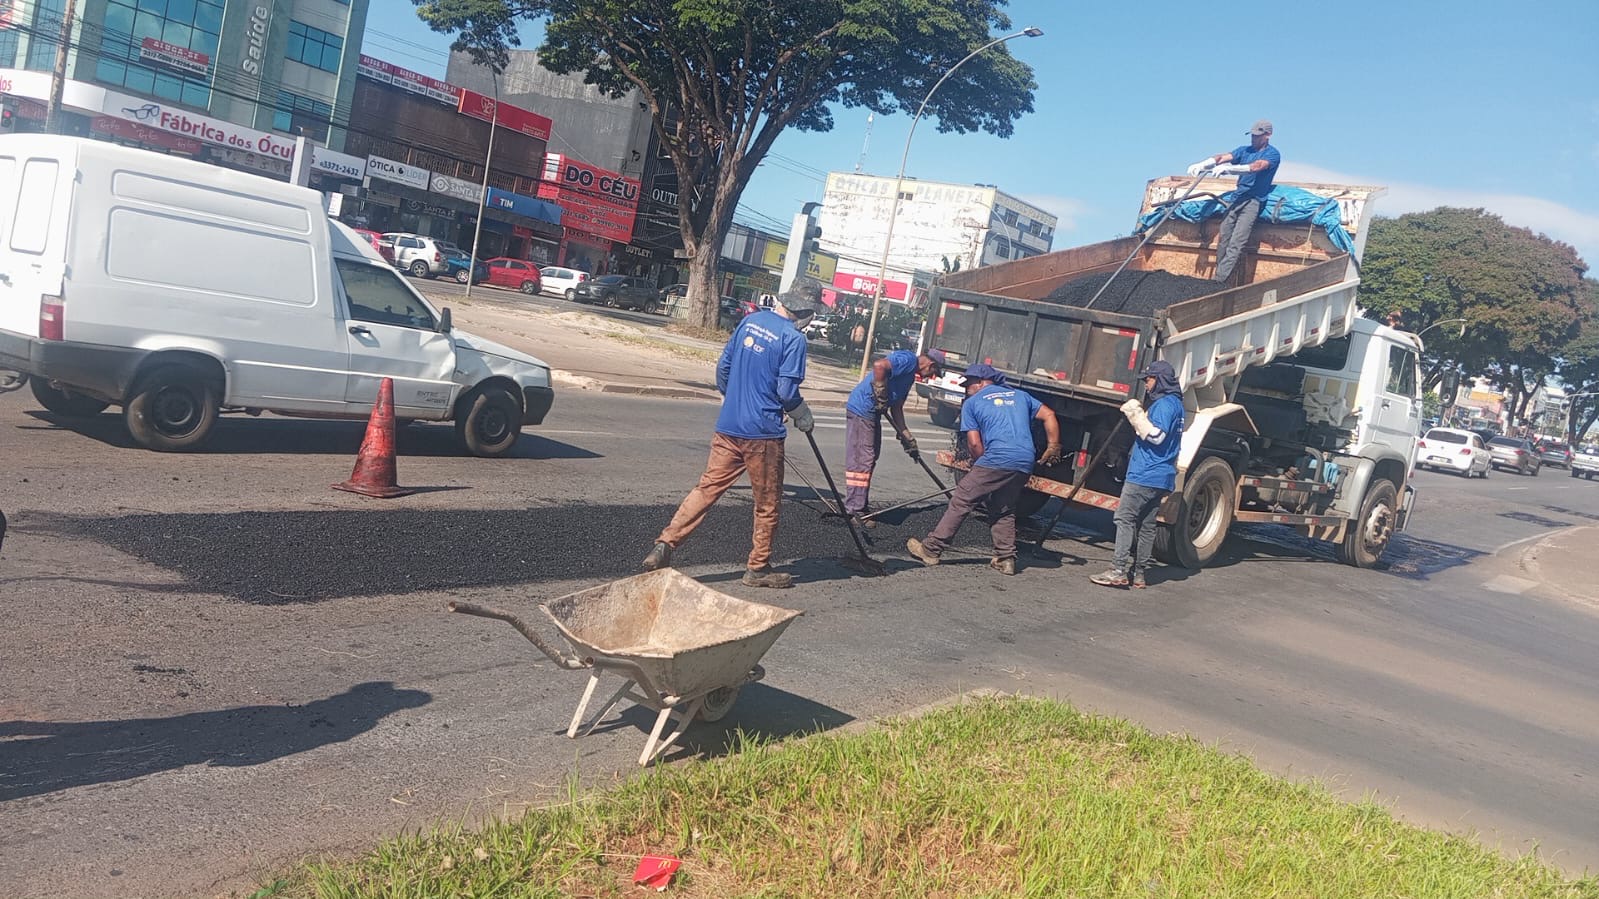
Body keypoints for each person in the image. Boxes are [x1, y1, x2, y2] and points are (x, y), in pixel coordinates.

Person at [642, 279, 818, 588]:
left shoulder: (751, 321)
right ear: (805, 311)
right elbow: (786, 391)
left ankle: (665, 544)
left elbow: (724, 367)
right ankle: (758, 568)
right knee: (767, 504)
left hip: (729, 426)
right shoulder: (793, 339)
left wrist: (733, 397)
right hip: (762, 435)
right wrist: (800, 413)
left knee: (706, 489)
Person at [906, 364, 1061, 576]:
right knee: (1003, 506)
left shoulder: (972, 403)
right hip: (1025, 460)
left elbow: (974, 444)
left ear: (982, 382)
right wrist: (1053, 445)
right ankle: (1005, 558)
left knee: (962, 499)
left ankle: (931, 549)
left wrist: (981, 465)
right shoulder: (1021, 396)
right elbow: (1049, 414)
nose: (966, 388)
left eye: (969, 384)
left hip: (997, 458)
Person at [1091, 360, 1186, 589]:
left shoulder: (1163, 405)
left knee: (1124, 519)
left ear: (1160, 380)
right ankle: (1140, 574)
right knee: (1147, 525)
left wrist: (1136, 417)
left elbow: (1156, 437)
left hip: (1145, 473)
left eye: (1149, 379)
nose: (1146, 384)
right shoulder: (1177, 405)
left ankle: (1118, 570)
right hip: (1162, 475)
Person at [842, 346, 948, 527]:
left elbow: (897, 407)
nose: (931, 377)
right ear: (930, 364)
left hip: (871, 414)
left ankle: (861, 505)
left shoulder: (909, 378)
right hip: (862, 409)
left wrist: (906, 436)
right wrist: (880, 391)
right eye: (933, 373)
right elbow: (879, 366)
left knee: (871, 458)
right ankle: (855, 510)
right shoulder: (908, 360)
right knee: (862, 460)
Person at [1186, 119, 1281, 284]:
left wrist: (1230, 169)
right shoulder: (1244, 150)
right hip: (1237, 198)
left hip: (1253, 201)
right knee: (1224, 237)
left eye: (1257, 136)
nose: (1253, 138)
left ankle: (1219, 281)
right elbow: (1223, 157)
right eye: (1252, 135)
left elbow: (1256, 167)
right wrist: (1206, 163)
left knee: (1237, 241)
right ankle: (1220, 274)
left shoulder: (1272, 154)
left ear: (1268, 135)